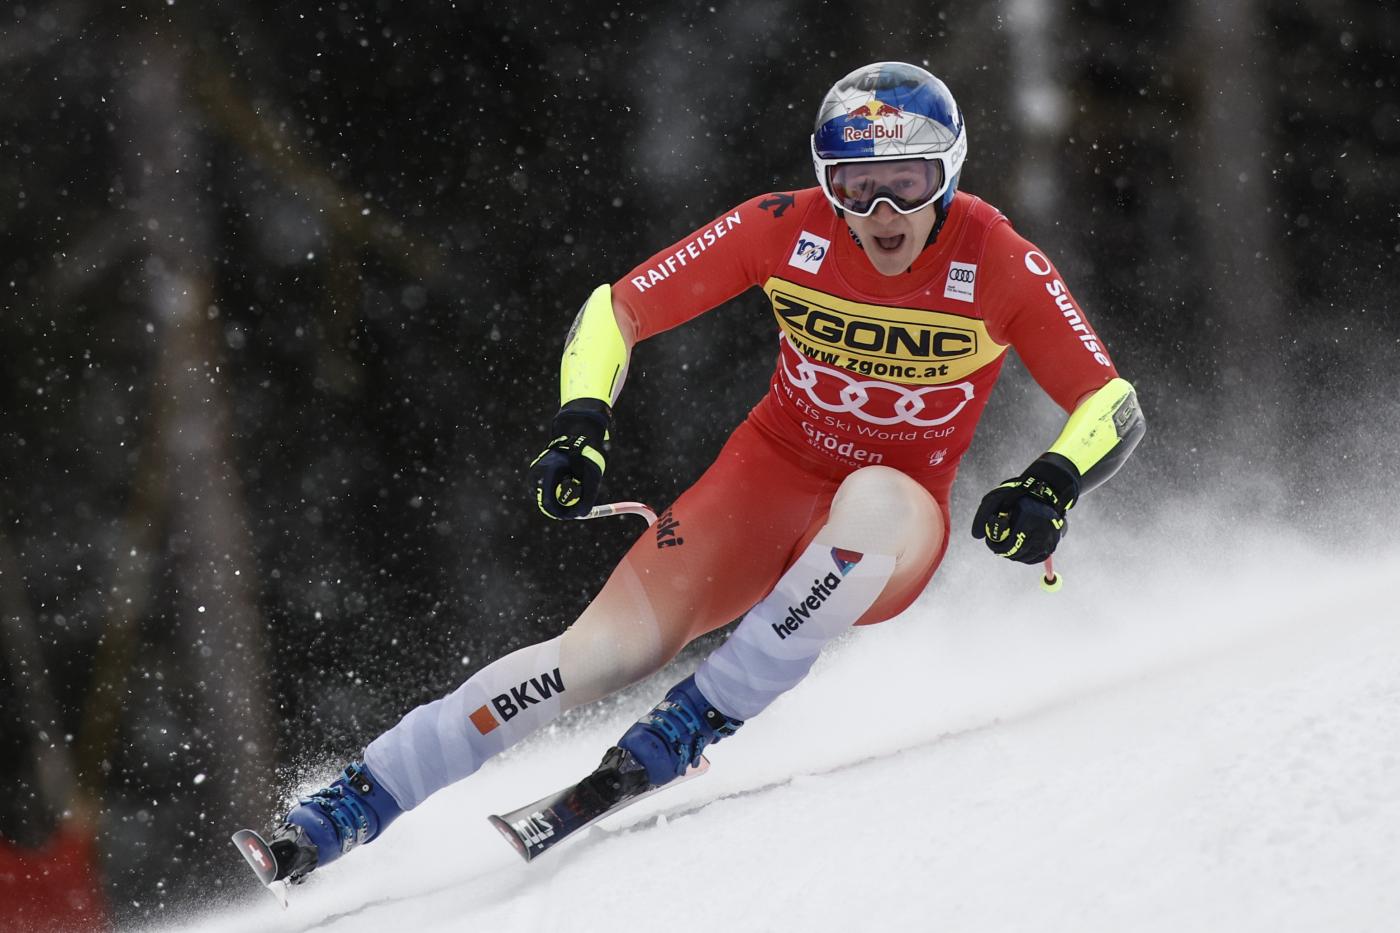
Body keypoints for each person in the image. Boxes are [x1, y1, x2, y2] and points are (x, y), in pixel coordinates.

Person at [254, 61, 1145, 882]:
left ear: (946, 175)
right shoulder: (785, 228)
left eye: (904, 185)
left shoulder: (997, 259)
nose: (880, 216)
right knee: (594, 658)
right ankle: (351, 804)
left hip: (893, 524)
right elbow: (618, 307)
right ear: (825, 181)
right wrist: (581, 421)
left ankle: (695, 719)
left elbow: (1111, 399)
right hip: (765, 482)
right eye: (855, 186)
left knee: (872, 499)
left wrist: (1051, 483)